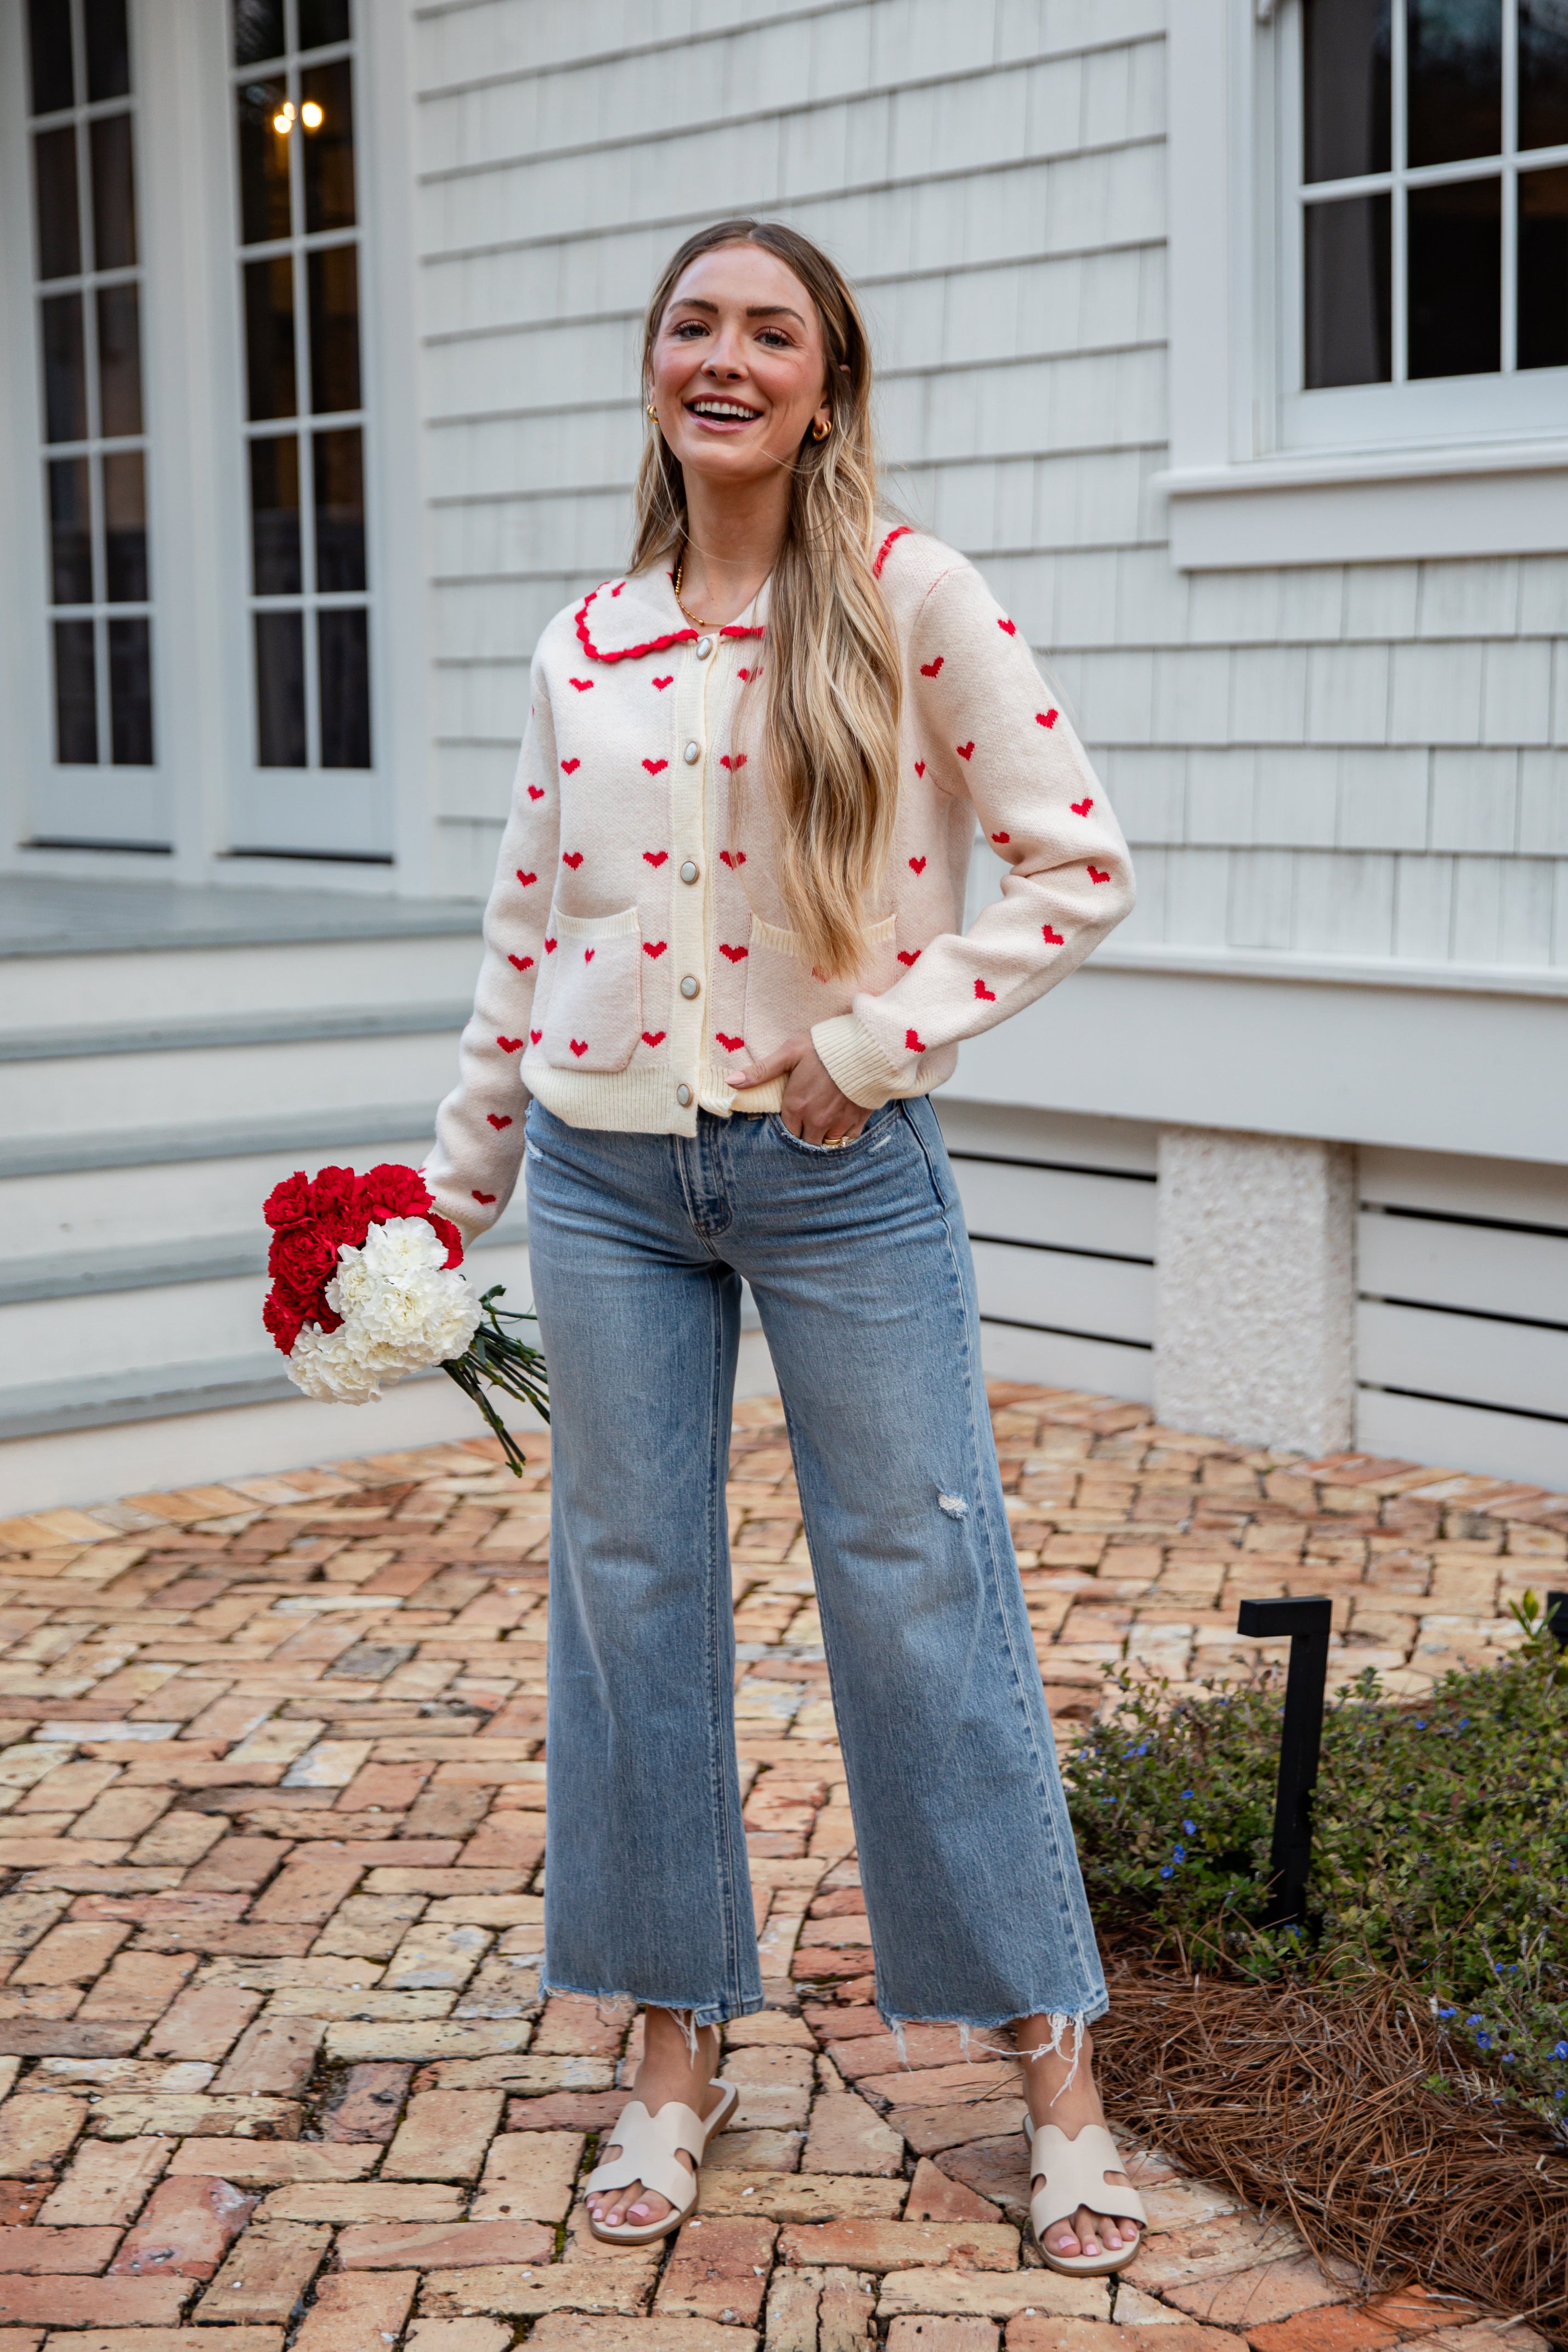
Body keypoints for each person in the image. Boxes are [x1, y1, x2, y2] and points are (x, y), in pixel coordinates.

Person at [424, 218, 1144, 2276]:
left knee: (921, 1586)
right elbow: (522, 936)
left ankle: (1051, 2069)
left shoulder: (909, 596)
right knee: (628, 1598)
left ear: (826, 375)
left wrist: (870, 1043)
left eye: (769, 332)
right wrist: (441, 1196)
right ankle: (671, 2048)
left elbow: (1074, 863)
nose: (723, 359)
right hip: (601, 1182)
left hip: (835, 1172)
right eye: (691, 327)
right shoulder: (588, 642)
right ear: (652, 368)